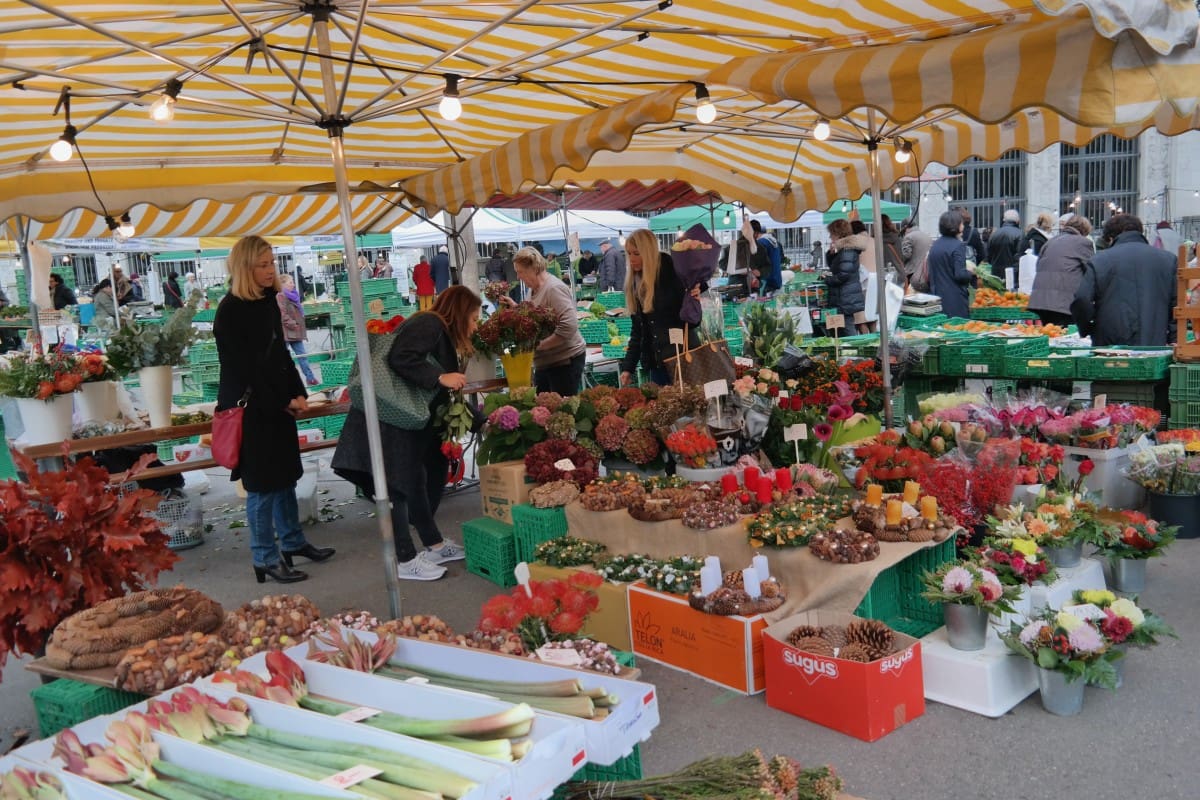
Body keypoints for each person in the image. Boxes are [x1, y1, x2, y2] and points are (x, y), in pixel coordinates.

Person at [332, 286, 481, 581]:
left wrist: (481, 420)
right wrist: (439, 377)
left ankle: (433, 544)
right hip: (391, 419)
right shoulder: (431, 323)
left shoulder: (437, 330)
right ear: (460, 313)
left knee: (412, 480)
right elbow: (401, 357)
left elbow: (444, 396)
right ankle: (406, 559)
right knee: (397, 485)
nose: (475, 326)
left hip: (403, 419)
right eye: (474, 318)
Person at [214, 235, 334, 585]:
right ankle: (264, 556)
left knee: (285, 477)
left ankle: (293, 542)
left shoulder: (268, 301)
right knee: (262, 486)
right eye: (262, 265)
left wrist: (299, 393)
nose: (271, 271)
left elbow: (280, 354)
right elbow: (244, 370)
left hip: (275, 404)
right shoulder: (230, 311)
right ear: (244, 268)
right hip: (251, 408)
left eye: (272, 263)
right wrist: (283, 400)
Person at [1071, 214, 1177, 346]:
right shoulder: (1169, 260)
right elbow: (1177, 303)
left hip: (1109, 344)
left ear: (1111, 238)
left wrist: (1087, 328)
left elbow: (1082, 299)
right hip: (1154, 341)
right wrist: (1174, 337)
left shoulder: (1100, 260)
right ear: (1140, 231)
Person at [618, 229, 703, 387]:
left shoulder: (674, 273)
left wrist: (694, 298)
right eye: (628, 254)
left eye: (636, 253)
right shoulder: (635, 283)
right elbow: (638, 331)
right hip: (657, 365)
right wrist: (628, 367)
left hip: (683, 359)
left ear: (648, 252)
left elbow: (693, 322)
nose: (631, 259)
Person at [499, 247, 586, 395]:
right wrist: (515, 307)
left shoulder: (554, 288)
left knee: (560, 411)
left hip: (564, 362)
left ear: (533, 268)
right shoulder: (532, 289)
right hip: (545, 363)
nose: (518, 277)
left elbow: (569, 326)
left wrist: (538, 345)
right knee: (542, 410)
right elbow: (535, 314)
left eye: (520, 272)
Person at [1027, 214, 1094, 327]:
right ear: (1084, 231)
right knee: (1064, 337)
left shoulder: (1050, 241)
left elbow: (1038, 265)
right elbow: (1091, 271)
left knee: (1050, 334)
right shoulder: (1083, 243)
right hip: (1063, 303)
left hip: (1041, 301)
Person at [928, 210, 975, 320]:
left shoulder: (935, 245)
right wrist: (971, 272)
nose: (963, 226)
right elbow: (960, 275)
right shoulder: (958, 245)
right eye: (961, 223)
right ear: (956, 225)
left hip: (936, 298)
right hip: (955, 300)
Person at [823, 219, 866, 335]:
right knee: (843, 327)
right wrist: (831, 253)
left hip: (845, 297)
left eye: (831, 234)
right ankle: (848, 350)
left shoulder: (847, 250)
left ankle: (854, 350)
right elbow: (834, 267)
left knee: (847, 327)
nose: (830, 237)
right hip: (844, 296)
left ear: (838, 234)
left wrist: (828, 280)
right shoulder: (843, 249)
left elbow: (843, 274)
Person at [277, 274, 319, 386]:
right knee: (283, 359)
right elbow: (282, 315)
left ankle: (311, 379)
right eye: (290, 282)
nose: (293, 284)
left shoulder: (294, 296)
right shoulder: (280, 296)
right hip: (286, 332)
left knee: (302, 356)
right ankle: (282, 382)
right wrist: (294, 324)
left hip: (296, 332)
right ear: (283, 284)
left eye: (293, 282)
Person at [749, 219, 782, 296]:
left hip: (767, 282)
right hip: (776, 279)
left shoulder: (761, 243)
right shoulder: (774, 241)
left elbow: (759, 263)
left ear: (755, 233)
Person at [987, 209, 1024, 274]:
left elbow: (989, 256)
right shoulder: (1020, 234)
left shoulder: (994, 235)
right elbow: (1020, 257)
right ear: (1018, 221)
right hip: (1012, 274)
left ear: (1004, 220)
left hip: (996, 274)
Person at [901, 220, 933, 292]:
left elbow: (906, 255)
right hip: (927, 273)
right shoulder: (927, 236)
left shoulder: (908, 237)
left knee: (911, 298)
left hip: (913, 274)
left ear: (905, 228)